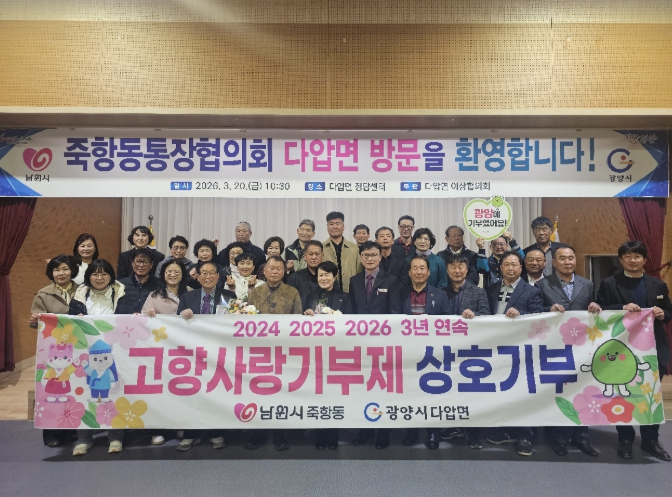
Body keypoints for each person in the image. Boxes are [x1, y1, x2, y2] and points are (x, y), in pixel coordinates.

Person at [596, 240, 672, 461]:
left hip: (652, 348)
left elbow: (669, 310)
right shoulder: (609, 283)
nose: (632, 260)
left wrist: (662, 314)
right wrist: (622, 308)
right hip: (621, 349)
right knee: (623, 395)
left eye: (637, 256)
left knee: (650, 395)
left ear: (644, 260)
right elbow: (600, 310)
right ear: (621, 260)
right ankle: (625, 439)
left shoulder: (658, 285)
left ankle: (650, 440)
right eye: (627, 256)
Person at [536, 246, 601, 458]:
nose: (567, 262)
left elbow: (597, 308)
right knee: (561, 393)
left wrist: (596, 306)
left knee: (583, 391)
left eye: (571, 258)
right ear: (553, 262)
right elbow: (535, 310)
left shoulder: (587, 284)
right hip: (555, 347)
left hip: (582, 348)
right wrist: (547, 310)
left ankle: (582, 439)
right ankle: (559, 439)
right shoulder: (542, 284)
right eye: (562, 258)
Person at [485, 251, 543, 456]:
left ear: (521, 267)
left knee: (522, 393)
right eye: (506, 264)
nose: (510, 268)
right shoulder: (490, 289)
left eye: (514, 264)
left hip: (520, 349)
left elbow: (539, 316)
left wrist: (522, 314)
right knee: (500, 391)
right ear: (500, 268)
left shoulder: (531, 291)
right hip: (494, 348)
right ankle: (503, 430)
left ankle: (525, 436)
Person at [176, 261, 235, 451]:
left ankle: (216, 432)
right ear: (198, 276)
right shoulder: (188, 297)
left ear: (218, 276)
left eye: (212, 273)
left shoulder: (229, 296)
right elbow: (176, 323)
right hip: (194, 352)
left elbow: (234, 324)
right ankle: (190, 434)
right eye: (204, 273)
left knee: (216, 392)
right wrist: (182, 314)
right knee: (193, 393)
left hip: (219, 352)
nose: (208, 276)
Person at [68, 260, 126, 456]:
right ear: (88, 276)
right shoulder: (78, 296)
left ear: (111, 276)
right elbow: (69, 322)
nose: (99, 278)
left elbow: (129, 321)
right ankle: (84, 439)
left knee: (114, 393)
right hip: (85, 354)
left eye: (103, 274)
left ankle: (116, 437)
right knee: (84, 393)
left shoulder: (122, 294)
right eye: (95, 274)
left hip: (115, 353)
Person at [246, 256, 303, 451]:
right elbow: (248, 320)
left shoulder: (292, 292)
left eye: (279, 268)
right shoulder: (255, 292)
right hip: (259, 351)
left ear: (284, 272)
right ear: (264, 270)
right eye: (271, 268)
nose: (275, 271)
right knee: (258, 392)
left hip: (283, 350)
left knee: (281, 392)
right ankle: (258, 434)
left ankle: (280, 434)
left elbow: (297, 322)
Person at [349, 241, 401, 449]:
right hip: (360, 344)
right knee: (363, 387)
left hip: (382, 344)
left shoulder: (392, 280)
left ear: (380, 257)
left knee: (382, 388)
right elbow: (351, 313)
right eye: (366, 255)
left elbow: (395, 313)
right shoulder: (354, 281)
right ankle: (365, 428)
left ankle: (383, 432)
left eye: (373, 255)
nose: (369, 258)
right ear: (361, 257)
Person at [439, 253, 491, 449]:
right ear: (447, 270)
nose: (457, 270)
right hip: (447, 350)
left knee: (470, 392)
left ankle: (473, 433)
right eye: (453, 267)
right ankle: (453, 426)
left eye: (460, 267)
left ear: (467, 270)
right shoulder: (441, 292)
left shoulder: (478, 292)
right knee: (450, 390)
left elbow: (487, 315)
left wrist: (474, 315)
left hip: (471, 350)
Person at [399, 254, 451, 449]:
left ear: (429, 272)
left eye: (422, 268)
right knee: (410, 392)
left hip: (432, 353)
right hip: (407, 352)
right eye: (415, 268)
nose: (419, 272)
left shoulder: (440, 295)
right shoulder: (399, 293)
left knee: (432, 393)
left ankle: (433, 432)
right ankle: (411, 431)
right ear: (409, 272)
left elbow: (446, 322)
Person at [29, 254, 80, 448]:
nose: (61, 273)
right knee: (50, 389)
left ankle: (70, 429)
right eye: (56, 270)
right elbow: (37, 323)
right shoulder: (43, 294)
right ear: (51, 273)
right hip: (52, 350)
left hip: (77, 347)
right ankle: (51, 433)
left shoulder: (83, 290)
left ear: (72, 271)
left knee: (71, 388)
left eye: (65, 269)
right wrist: (35, 321)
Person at [303, 260, 352, 450]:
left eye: (327, 275)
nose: (323, 278)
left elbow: (350, 323)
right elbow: (302, 321)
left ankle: (333, 436)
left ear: (335, 277)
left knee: (334, 394)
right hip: (316, 352)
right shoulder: (311, 296)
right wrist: (306, 314)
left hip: (337, 352)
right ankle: (319, 435)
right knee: (318, 394)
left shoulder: (344, 297)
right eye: (320, 275)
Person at [322, 211, 362, 293]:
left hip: (351, 293)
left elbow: (359, 271)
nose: (334, 227)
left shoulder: (354, 248)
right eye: (331, 224)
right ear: (327, 227)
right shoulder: (321, 248)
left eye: (337, 223)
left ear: (343, 226)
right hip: (327, 293)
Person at [116, 248, 161, 315]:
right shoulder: (121, 284)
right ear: (132, 263)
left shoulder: (159, 285)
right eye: (138, 261)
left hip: (151, 321)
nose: (141, 265)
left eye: (145, 262)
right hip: (127, 321)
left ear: (151, 264)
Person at [287, 240, 324, 307]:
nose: (314, 257)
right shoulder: (295, 278)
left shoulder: (329, 278)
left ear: (322, 256)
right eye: (310, 254)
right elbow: (289, 303)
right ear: (305, 256)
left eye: (317, 254)